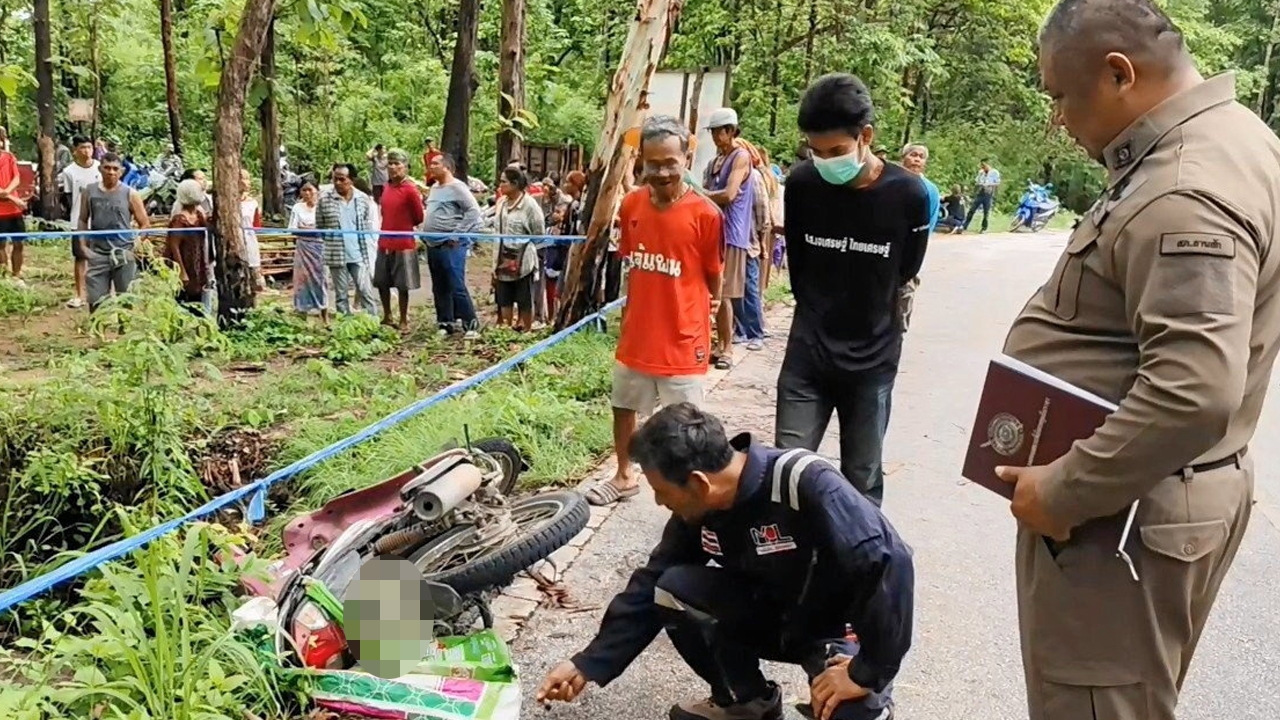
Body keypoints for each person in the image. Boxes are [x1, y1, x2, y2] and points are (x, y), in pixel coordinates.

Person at [995, 2, 1280, 719]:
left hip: (1121, 519)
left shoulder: (1186, 188)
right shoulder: (1233, 138)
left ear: (1119, 74)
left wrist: (1064, 490)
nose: (1058, 120)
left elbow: (1193, 391)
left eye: (1061, 96)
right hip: (1147, 501)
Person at [538, 403, 914, 720]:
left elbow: (889, 561)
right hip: (770, 617)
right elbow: (651, 580)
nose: (659, 502)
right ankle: (745, 700)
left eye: (661, 491)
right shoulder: (698, 511)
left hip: (834, 628)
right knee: (671, 588)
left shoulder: (804, 482)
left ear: (699, 482)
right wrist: (588, 662)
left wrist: (865, 671)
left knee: (851, 708)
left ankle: (865, 696)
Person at [775, 73, 931, 508]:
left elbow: (906, 269)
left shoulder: (908, 194)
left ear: (866, 137)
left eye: (837, 151)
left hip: (872, 361)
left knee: (862, 478)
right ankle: (793, 550)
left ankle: (858, 550)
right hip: (808, 354)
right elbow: (799, 266)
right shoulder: (803, 185)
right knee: (787, 472)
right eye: (817, 152)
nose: (826, 162)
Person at [582, 115, 723, 507]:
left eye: (670, 163)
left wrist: (706, 313)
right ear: (641, 160)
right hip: (638, 333)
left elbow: (714, 275)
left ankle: (690, 491)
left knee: (686, 421)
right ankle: (624, 475)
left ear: (686, 159)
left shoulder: (707, 214)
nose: (661, 172)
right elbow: (633, 261)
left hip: (684, 336)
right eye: (653, 163)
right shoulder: (631, 204)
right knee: (623, 407)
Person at [702, 108, 756, 368]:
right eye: (712, 132)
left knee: (723, 293)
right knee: (709, 292)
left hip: (732, 233)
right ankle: (715, 343)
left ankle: (727, 349)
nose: (715, 136)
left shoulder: (740, 157)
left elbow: (729, 194)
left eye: (718, 131)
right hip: (712, 231)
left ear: (731, 130)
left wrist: (698, 193)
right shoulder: (715, 162)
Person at [78, 153, 150, 312]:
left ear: (121, 171)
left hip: (124, 252)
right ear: (100, 169)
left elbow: (144, 224)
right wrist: (82, 246)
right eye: (107, 168)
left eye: (115, 169)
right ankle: (98, 327)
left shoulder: (130, 194)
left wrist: (137, 245)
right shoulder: (89, 191)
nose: (111, 172)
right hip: (98, 253)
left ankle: (125, 327)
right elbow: (82, 219)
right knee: (96, 300)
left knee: (126, 300)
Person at [422, 152, 482, 338]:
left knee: (456, 284)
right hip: (432, 243)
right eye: (431, 164)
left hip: (451, 245)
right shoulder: (434, 188)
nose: (431, 167)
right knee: (439, 285)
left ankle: (470, 324)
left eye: (435, 163)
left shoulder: (458, 187)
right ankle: (445, 322)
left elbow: (473, 211)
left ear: (446, 167)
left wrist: (457, 234)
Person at [374, 149, 425, 332]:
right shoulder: (386, 187)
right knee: (382, 281)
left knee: (403, 284)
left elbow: (418, 216)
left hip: (403, 242)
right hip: (385, 240)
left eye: (397, 164)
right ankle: (387, 315)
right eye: (390, 163)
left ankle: (403, 318)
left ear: (405, 166)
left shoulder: (410, 189)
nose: (393, 167)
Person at [317, 163, 378, 316]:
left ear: (351, 180)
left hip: (359, 254)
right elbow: (320, 226)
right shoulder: (324, 199)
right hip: (337, 254)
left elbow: (366, 224)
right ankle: (345, 324)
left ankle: (372, 322)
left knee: (365, 291)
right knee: (341, 295)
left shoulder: (362, 199)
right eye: (335, 179)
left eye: (342, 179)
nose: (338, 183)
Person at [491, 166, 544, 331]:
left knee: (524, 299)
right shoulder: (501, 203)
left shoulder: (530, 205)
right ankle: (506, 333)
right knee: (504, 299)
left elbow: (539, 234)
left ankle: (526, 330)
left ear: (515, 184)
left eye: (503, 182)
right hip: (502, 259)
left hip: (523, 261)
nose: (500, 185)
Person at [897, 143, 939, 334]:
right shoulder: (889, 182)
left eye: (921, 157)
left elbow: (928, 224)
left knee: (904, 292)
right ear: (903, 157)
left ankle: (899, 332)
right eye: (913, 155)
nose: (917, 159)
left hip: (909, 251)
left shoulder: (930, 190)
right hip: (884, 247)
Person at [58, 135, 101, 307]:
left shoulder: (101, 168)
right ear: (75, 150)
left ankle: (100, 293)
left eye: (89, 147)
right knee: (80, 256)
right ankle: (79, 294)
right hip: (79, 221)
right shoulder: (69, 172)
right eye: (82, 147)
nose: (87, 151)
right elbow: (68, 197)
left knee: (102, 257)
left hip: (101, 220)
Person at [165, 179, 212, 316]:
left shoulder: (199, 215)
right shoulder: (179, 220)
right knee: (184, 301)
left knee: (198, 300)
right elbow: (174, 247)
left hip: (198, 262)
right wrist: (181, 271)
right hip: (185, 263)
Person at [289, 180, 328, 322]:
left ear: (317, 191)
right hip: (303, 247)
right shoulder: (297, 207)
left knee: (321, 279)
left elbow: (325, 229)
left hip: (320, 247)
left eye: (310, 190)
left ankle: (324, 313)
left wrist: (306, 229)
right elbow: (292, 229)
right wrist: (310, 230)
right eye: (304, 190)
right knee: (301, 279)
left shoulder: (323, 207)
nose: (307, 193)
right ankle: (302, 312)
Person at [0, 137, 26, 283]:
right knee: (0, 245)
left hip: (15, 211)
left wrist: (8, 192)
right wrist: (13, 198)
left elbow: (17, 178)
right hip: (1, 212)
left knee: (19, 243)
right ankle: (4, 277)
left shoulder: (9, 157)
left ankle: (17, 274)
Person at [238, 169, 264, 291]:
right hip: (233, 241)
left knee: (253, 277)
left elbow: (257, 225)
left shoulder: (253, 203)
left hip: (250, 242)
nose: (248, 182)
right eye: (245, 178)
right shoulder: (225, 201)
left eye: (248, 179)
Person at [961, 158, 1000, 233]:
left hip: (988, 193)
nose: (983, 167)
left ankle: (984, 228)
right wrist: (978, 186)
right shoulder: (981, 172)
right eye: (982, 165)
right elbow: (977, 181)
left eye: (984, 165)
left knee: (986, 212)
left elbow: (997, 183)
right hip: (980, 192)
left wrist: (989, 185)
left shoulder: (994, 173)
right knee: (972, 209)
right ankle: (965, 225)